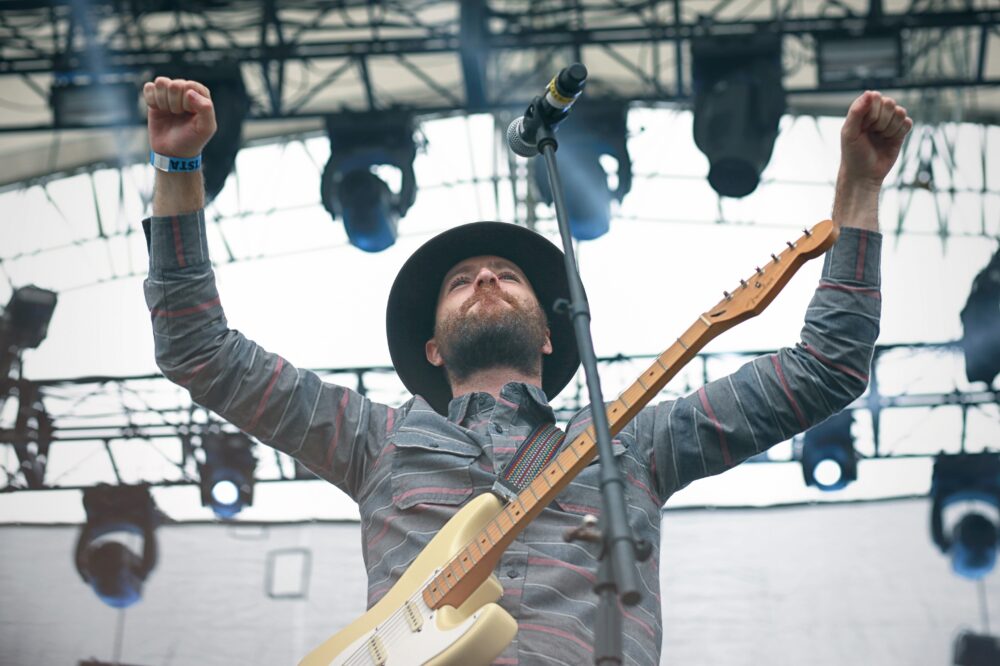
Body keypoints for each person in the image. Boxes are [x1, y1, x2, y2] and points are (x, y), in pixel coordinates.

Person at [141, 75, 912, 665]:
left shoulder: (634, 445)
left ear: (549, 334)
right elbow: (199, 351)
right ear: (433, 348)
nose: (484, 278)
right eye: (460, 281)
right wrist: (178, 164)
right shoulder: (373, 441)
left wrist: (860, 190)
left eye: (507, 275)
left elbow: (825, 369)